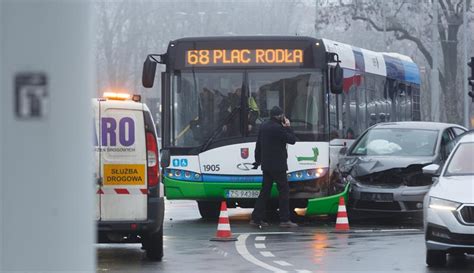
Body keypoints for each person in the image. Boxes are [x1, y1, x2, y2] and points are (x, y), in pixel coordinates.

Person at [251, 106, 298, 228]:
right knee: (284, 191)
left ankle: (256, 218)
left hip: (266, 165)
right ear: (279, 116)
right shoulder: (279, 128)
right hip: (278, 166)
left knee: (264, 191)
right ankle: (284, 219)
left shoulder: (264, 126)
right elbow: (292, 140)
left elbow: (258, 145)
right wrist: (288, 127)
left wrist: (258, 161)